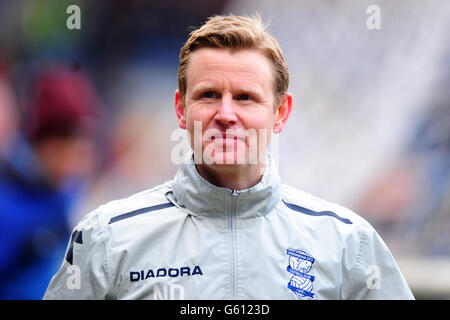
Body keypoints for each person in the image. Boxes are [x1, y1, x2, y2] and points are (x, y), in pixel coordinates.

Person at [44, 15, 414, 300]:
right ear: (181, 109)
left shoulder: (347, 243)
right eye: (208, 95)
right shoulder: (108, 237)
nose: (225, 113)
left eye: (245, 97)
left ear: (280, 113)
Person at [0, 65, 101, 299]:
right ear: (45, 144)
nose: (76, 162)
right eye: (67, 149)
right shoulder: (8, 204)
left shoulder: (71, 191)